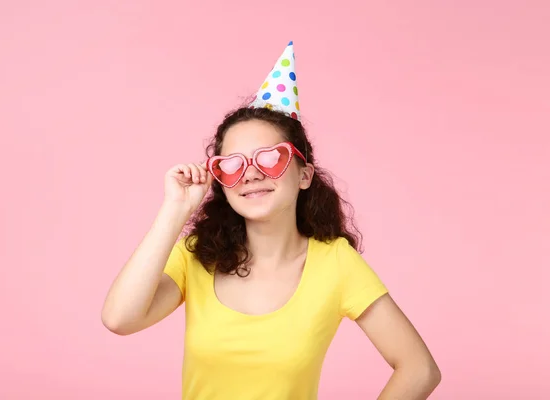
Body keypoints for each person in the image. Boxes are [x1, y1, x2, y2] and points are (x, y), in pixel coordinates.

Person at [101, 41, 441, 400]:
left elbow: (420, 370)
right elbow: (120, 319)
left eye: (270, 159)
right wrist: (175, 210)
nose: (249, 175)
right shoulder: (197, 256)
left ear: (304, 175)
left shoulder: (336, 263)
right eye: (231, 165)